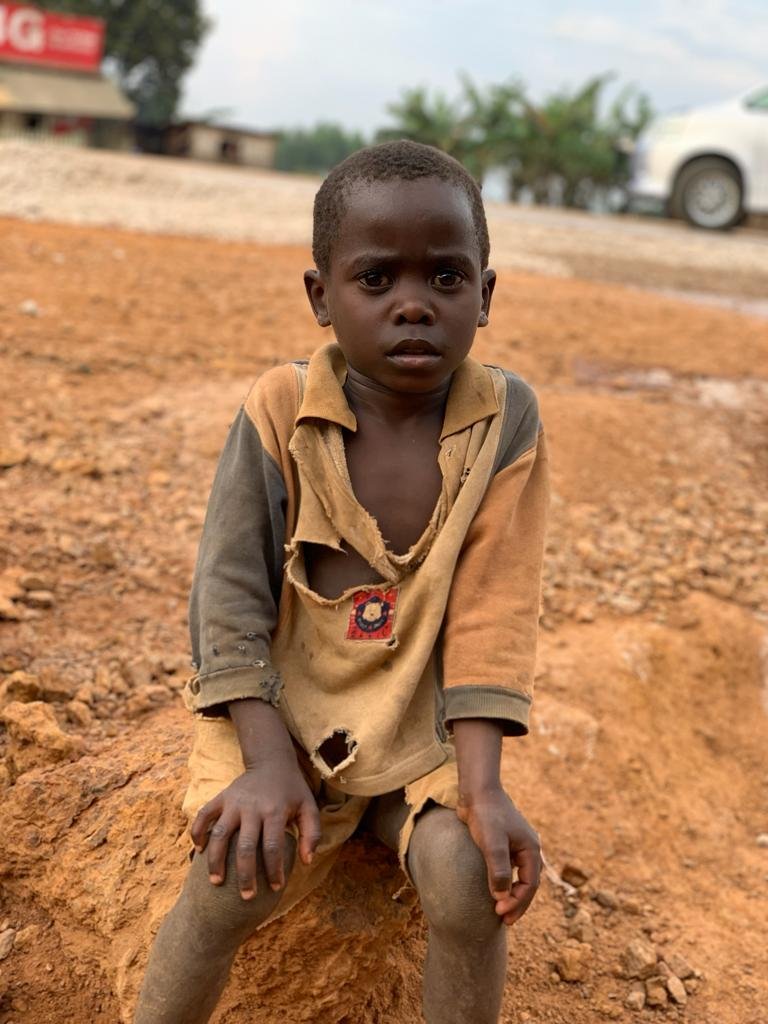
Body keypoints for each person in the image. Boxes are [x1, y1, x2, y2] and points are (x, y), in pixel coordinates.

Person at [135, 139, 549, 1024]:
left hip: (417, 740)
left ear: (485, 292)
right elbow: (229, 595)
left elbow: (493, 610)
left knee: (469, 882)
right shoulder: (282, 411)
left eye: (446, 278)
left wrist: (480, 788)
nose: (413, 306)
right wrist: (262, 761)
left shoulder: (504, 420)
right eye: (376, 281)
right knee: (228, 881)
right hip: (285, 726)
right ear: (322, 297)